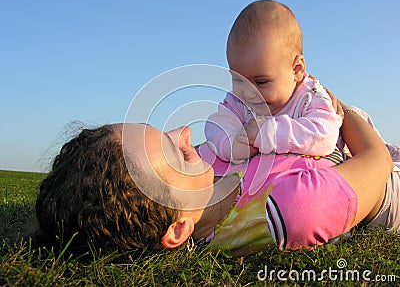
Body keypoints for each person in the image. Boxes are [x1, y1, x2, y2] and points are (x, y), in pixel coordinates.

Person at [32, 94, 399, 256]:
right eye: (178, 153)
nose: (186, 133)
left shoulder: (211, 166)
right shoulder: (292, 210)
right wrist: (338, 106)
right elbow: (377, 161)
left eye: (163, 131)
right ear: (178, 230)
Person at [205, 0, 400, 164]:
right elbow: (216, 123)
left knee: (380, 157)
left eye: (262, 82)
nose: (248, 93)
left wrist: (269, 133)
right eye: (238, 80)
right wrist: (230, 144)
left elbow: (324, 135)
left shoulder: (310, 97)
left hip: (351, 143)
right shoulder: (238, 102)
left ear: (296, 70)